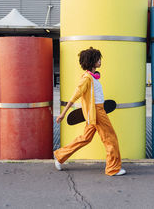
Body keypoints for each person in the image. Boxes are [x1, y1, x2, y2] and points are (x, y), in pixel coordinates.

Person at [53, 47, 126, 176]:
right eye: (98, 59)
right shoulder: (87, 78)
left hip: (95, 111)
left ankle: (60, 156)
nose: (100, 61)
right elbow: (74, 96)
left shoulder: (93, 77)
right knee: (110, 138)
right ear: (92, 61)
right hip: (97, 112)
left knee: (85, 138)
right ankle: (113, 169)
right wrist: (63, 114)